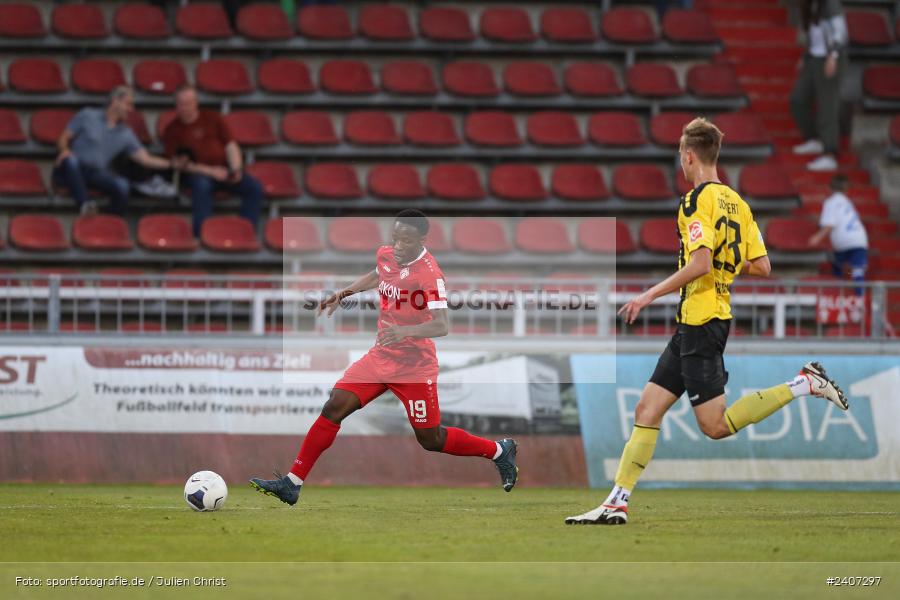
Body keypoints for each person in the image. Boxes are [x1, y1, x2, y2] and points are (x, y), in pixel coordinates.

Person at [565, 118, 848, 526]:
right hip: (695, 323)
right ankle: (617, 502)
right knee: (647, 407)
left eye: (681, 155)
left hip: (703, 321)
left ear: (690, 155)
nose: (681, 161)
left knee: (715, 426)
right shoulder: (738, 202)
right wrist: (725, 264)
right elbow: (763, 266)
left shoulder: (696, 201)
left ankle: (804, 382)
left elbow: (699, 263)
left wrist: (649, 294)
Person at [250, 209, 519, 505]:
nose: (399, 246)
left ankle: (499, 450)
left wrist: (406, 332)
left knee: (431, 439)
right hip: (380, 357)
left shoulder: (430, 274)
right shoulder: (387, 255)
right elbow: (378, 274)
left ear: (421, 240)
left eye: (406, 240)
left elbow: (442, 325)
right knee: (334, 406)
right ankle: (292, 483)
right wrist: (344, 293)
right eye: (395, 238)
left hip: (414, 367)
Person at [54, 86, 174, 215]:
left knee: (123, 185)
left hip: (95, 173)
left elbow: (145, 159)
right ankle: (85, 205)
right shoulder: (87, 115)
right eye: (128, 104)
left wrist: (172, 164)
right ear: (116, 101)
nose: (131, 109)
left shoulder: (126, 134)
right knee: (71, 160)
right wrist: (64, 150)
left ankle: (112, 223)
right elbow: (63, 138)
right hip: (72, 169)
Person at [161, 85, 263, 237]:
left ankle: (246, 233)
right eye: (181, 103)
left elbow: (231, 145)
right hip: (197, 173)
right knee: (201, 186)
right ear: (176, 105)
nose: (184, 107)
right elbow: (178, 164)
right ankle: (201, 235)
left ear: (196, 103)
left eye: (188, 103)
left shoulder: (213, 118)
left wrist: (236, 169)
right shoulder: (172, 129)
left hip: (223, 170)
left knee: (254, 188)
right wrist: (210, 171)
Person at [790, 0, 848, 172]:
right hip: (814, 58)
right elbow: (813, 33)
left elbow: (839, 31)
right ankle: (815, 139)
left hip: (829, 59)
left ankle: (830, 153)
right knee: (798, 99)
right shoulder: (809, 5)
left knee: (827, 107)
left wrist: (834, 55)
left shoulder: (830, 3)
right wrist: (806, 55)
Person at [809, 174, 868, 294]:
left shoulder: (831, 202)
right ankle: (859, 297)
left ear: (829, 188)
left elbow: (829, 224)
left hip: (844, 241)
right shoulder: (847, 202)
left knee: (837, 266)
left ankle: (837, 294)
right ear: (846, 189)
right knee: (857, 270)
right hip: (860, 239)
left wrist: (816, 237)